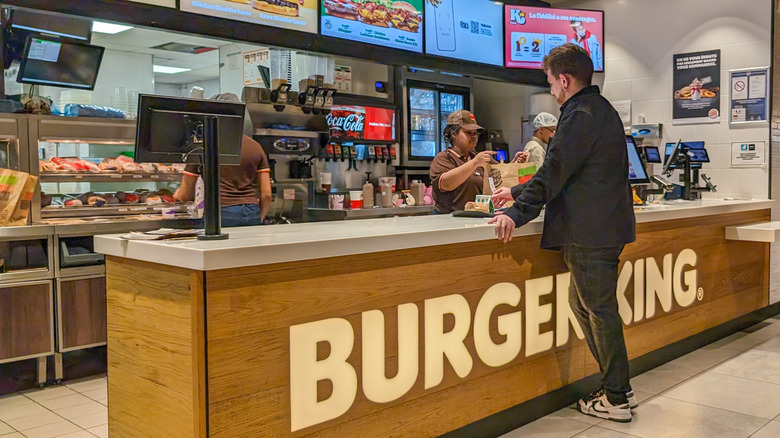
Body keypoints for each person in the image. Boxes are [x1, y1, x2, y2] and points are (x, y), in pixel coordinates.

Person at [489, 44, 637, 422]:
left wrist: (517, 213)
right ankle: (618, 387)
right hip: (602, 227)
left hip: (590, 232)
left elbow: (555, 170)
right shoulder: (599, 110)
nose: (551, 89)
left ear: (565, 80)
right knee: (585, 305)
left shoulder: (579, 115)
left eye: (551, 81)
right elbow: (568, 172)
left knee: (599, 311)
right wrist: (517, 192)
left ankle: (616, 397)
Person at [174, 93, 272, 227]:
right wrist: (260, 217)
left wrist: (177, 195)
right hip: (251, 211)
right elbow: (266, 194)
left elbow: (186, 195)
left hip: (221, 212)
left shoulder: (203, 146)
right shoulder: (256, 147)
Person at [429, 110, 495, 214]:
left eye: (475, 133)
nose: (473, 136)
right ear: (453, 134)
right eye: (468, 133)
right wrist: (474, 163)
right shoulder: (444, 158)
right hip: (448, 218)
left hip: (476, 217)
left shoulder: (477, 157)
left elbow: (502, 175)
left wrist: (516, 162)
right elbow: (446, 184)